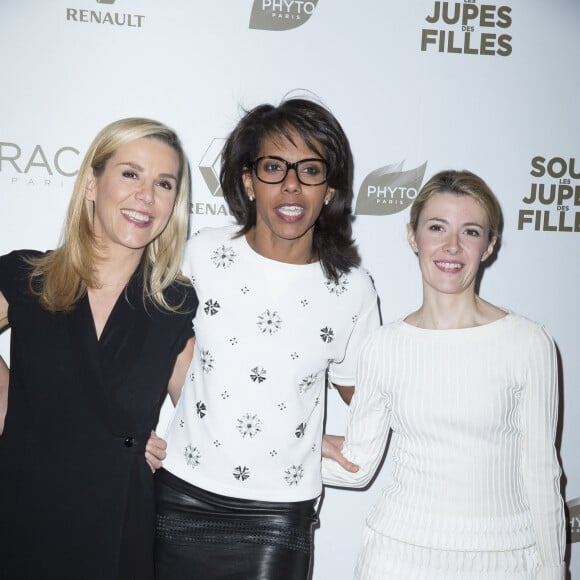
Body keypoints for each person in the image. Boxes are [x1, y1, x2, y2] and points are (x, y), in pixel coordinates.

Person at [154, 98, 381, 580]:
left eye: (311, 169)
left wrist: (305, 440)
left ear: (330, 188)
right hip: (179, 493)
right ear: (247, 180)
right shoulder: (202, 255)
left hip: (278, 514)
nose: (292, 185)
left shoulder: (351, 289)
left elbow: (368, 401)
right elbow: (156, 355)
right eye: (274, 167)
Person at [322, 169, 566, 579]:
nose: (452, 246)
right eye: (437, 228)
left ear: (489, 246)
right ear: (413, 236)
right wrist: (295, 444)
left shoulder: (528, 342)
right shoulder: (383, 345)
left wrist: (552, 567)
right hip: (397, 557)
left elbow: (542, 471)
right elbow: (358, 464)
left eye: (470, 232)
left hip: (503, 560)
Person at [0, 117, 198, 580]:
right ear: (92, 183)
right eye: (131, 174)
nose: (146, 196)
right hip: (20, 512)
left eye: (164, 184)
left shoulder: (175, 304)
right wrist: (10, 397)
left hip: (116, 525)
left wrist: (305, 439)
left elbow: (211, 413)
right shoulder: (28, 278)